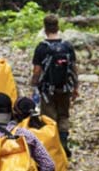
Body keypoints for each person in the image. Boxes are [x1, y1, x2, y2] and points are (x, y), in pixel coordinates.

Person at [30, 14, 78, 158]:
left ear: (45, 28)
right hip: (65, 88)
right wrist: (75, 87)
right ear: (58, 27)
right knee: (63, 115)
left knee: (49, 118)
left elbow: (37, 70)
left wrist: (34, 85)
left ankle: (53, 148)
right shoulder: (67, 46)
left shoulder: (41, 48)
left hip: (47, 90)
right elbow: (74, 68)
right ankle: (63, 142)